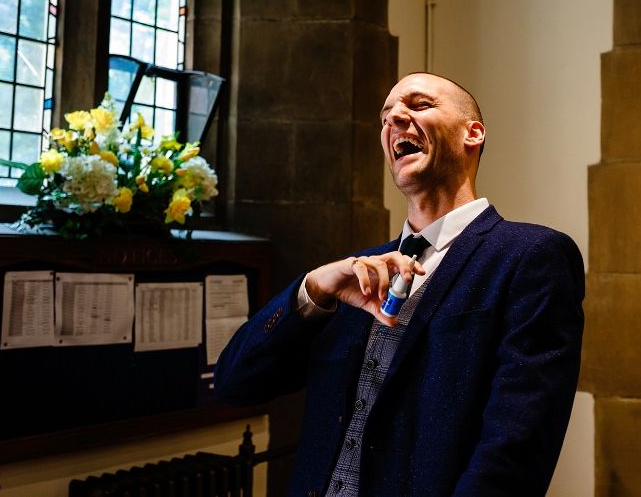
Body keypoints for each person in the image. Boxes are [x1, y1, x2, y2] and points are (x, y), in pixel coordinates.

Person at [214, 72, 584, 496]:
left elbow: (518, 444)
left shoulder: (530, 256)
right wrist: (312, 289)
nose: (395, 120)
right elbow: (234, 384)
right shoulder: (354, 276)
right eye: (386, 117)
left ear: (473, 133)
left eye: (419, 104)